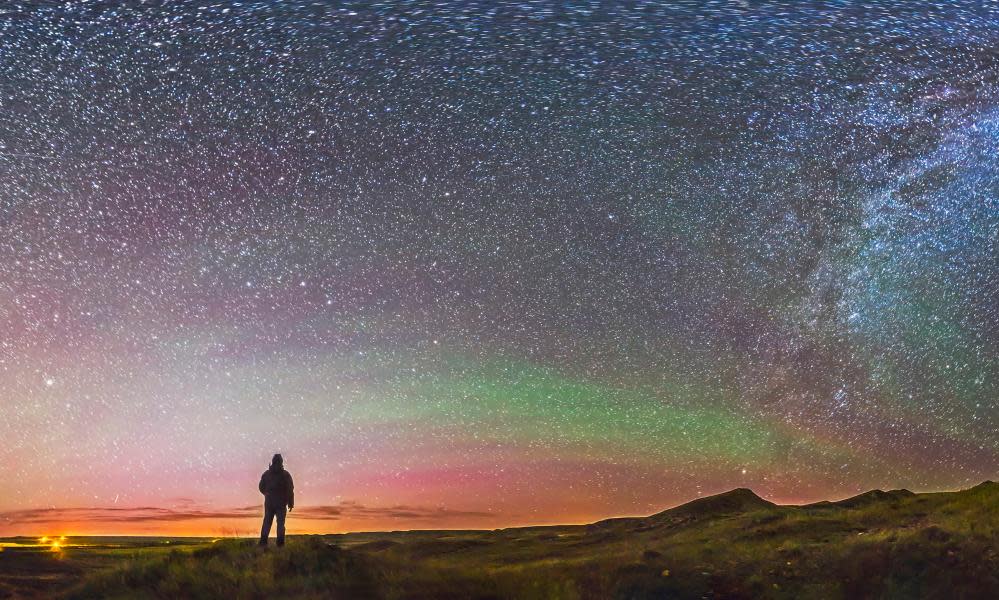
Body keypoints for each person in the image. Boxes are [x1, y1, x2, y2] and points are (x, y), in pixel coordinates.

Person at [258, 453, 294, 546]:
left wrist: (266, 494)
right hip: (280, 503)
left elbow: (261, 487)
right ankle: (279, 544)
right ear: (281, 462)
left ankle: (263, 543)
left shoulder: (267, 474)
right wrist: (290, 502)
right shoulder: (285, 475)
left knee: (268, 523)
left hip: (271, 503)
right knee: (279, 524)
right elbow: (290, 489)